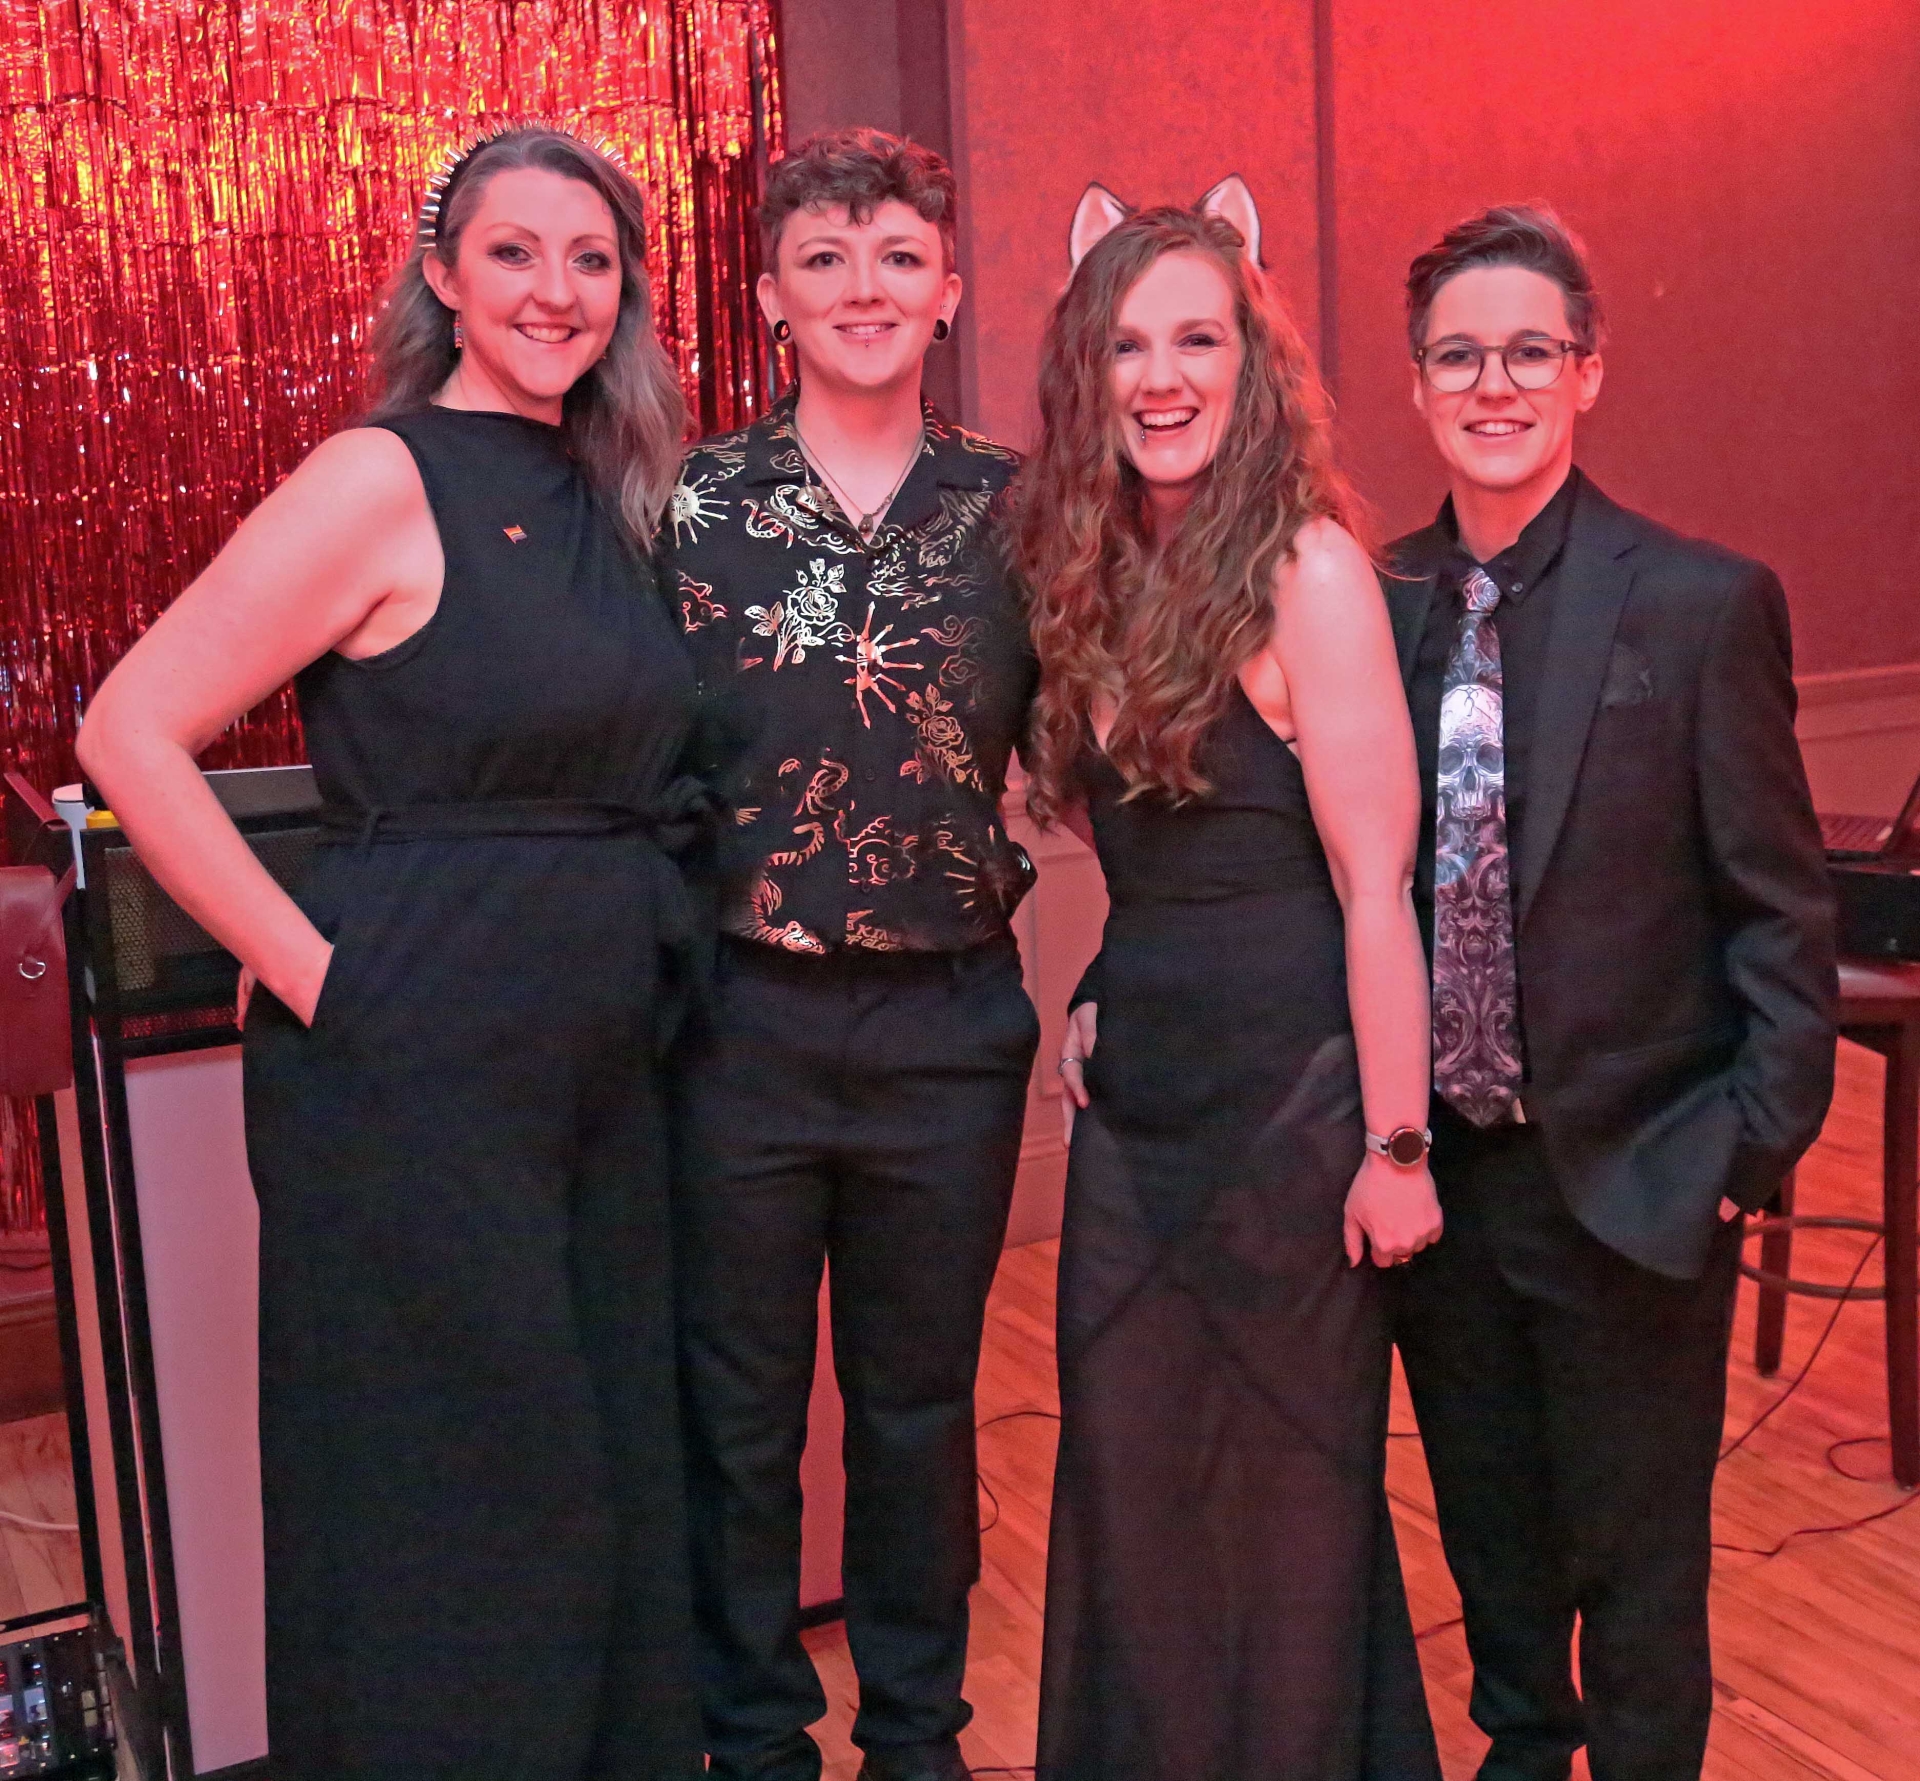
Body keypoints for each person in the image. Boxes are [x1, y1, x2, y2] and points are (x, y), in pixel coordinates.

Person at [76, 127, 705, 1780]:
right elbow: (128, 729)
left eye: (591, 258)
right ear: (443, 277)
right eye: (513, 251)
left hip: (604, 1068)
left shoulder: (611, 491)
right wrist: (323, 975)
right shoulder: (381, 476)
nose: (555, 290)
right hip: (417, 1067)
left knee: (606, 1484)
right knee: (461, 1501)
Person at [1383, 205, 1838, 1781]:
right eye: (1459, 356)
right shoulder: (1369, 603)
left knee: (1639, 1579)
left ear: (1589, 370)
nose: (1493, 385)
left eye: (1530, 352)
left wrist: (1740, 1157)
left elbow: (1780, 915)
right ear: (1416, 382)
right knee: (1494, 1556)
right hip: (1439, 1184)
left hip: (1641, 1179)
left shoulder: (1703, 603)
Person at [1021, 181, 1444, 1780]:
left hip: (1294, 1110)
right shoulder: (1091, 568)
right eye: (1129, 344)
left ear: (1252, 362)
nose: (1162, 376)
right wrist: (1105, 980)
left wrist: (1396, 1146)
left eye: (1197, 338)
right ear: (1089, 369)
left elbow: (1375, 887)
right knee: (1132, 1501)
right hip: (1140, 1118)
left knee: (1288, 1513)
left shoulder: (1309, 570)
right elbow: (1153, 848)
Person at [664, 129, 1039, 1781]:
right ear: (772, 296)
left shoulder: (1023, 509)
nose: (864, 287)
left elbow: (1102, 745)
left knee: (918, 1409)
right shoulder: (687, 506)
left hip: (948, 1023)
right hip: (735, 1020)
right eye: (826, 258)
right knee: (739, 1416)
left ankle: (915, 1735)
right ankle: (754, 1738)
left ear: (949, 290)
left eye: (898, 257)